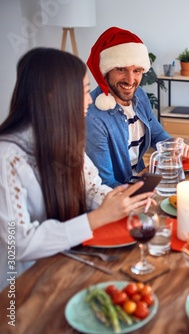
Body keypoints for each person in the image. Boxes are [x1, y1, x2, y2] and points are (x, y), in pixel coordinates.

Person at [0, 48, 153, 291]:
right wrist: (98, 218)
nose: (90, 99)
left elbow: (90, 187)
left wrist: (121, 202)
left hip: (66, 262)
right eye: (83, 91)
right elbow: (19, 243)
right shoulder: (7, 158)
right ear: (53, 96)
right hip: (21, 287)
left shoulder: (62, 138)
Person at [85, 27, 189, 188]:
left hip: (142, 179)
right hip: (119, 193)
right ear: (104, 71)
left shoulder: (139, 95)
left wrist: (173, 144)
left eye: (137, 70)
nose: (130, 80)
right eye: (121, 69)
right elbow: (105, 184)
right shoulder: (93, 116)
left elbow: (156, 135)